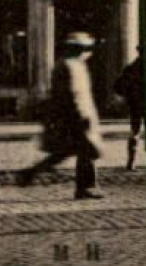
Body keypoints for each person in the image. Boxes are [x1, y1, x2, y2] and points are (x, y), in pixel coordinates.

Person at [17, 33, 104, 200]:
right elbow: (72, 93)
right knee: (87, 151)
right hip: (74, 116)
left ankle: (30, 173)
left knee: (68, 151)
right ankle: (86, 187)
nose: (89, 52)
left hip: (76, 115)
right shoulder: (69, 65)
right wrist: (81, 115)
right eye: (86, 49)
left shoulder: (73, 64)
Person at [114, 42, 146, 171]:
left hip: (134, 104)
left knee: (134, 131)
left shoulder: (131, 67)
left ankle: (131, 162)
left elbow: (118, 85)